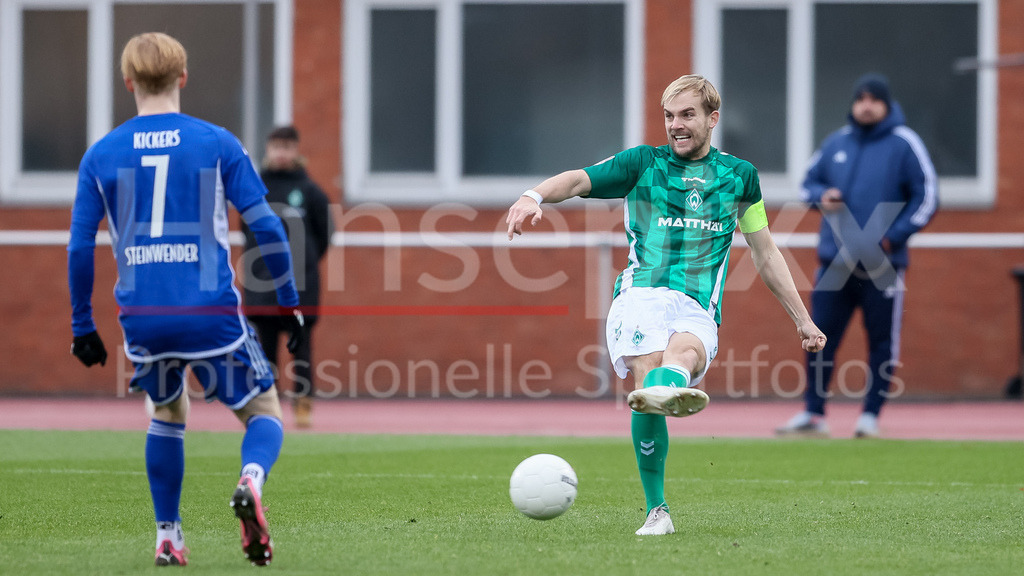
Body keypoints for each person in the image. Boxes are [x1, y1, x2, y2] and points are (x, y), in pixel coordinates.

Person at [506, 74, 826, 536]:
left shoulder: (740, 177)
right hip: (642, 295)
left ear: (712, 119)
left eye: (687, 115)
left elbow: (765, 251)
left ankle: (669, 386)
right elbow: (578, 179)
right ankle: (658, 511)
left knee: (678, 361)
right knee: (652, 378)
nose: (676, 125)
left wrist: (804, 319)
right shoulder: (642, 164)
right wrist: (533, 195)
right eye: (669, 116)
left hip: (698, 305)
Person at [68, 32, 305, 567]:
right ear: (183, 77)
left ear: (128, 82)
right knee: (263, 409)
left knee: (167, 410)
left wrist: (83, 325)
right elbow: (266, 226)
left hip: (143, 316)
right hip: (209, 311)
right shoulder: (216, 142)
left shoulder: (100, 154)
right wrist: (288, 301)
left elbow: (80, 245)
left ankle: (168, 537)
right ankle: (250, 480)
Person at [775, 73, 937, 439]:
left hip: (882, 266)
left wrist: (893, 237)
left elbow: (926, 197)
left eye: (873, 99)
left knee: (881, 341)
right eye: (860, 98)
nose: (866, 105)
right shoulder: (836, 143)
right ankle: (814, 414)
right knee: (817, 335)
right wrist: (822, 195)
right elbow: (806, 184)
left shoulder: (904, 144)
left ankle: (870, 417)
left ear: (886, 104)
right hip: (835, 262)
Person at [242, 126, 332, 428]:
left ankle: (303, 405)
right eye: (276, 146)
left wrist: (302, 263)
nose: (281, 153)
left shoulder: (310, 191)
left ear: (296, 151)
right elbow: (247, 231)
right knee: (265, 351)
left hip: (301, 287)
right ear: (268, 149)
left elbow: (324, 234)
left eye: (287, 147)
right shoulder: (255, 187)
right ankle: (268, 407)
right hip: (262, 286)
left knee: (301, 348)